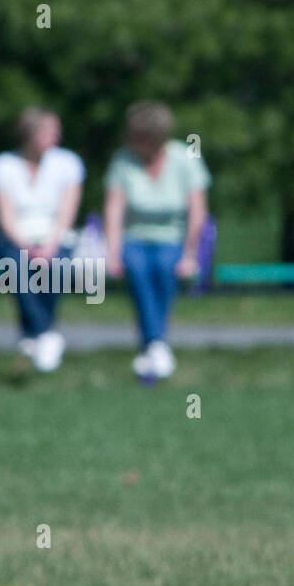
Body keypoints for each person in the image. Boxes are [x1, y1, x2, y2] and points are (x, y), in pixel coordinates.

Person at [104, 102, 209, 380]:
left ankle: (152, 345)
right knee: (137, 268)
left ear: (156, 138)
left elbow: (197, 212)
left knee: (165, 267)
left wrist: (190, 255)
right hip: (133, 237)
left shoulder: (186, 157)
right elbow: (114, 210)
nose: (131, 142)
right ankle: (157, 344)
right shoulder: (122, 160)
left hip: (173, 238)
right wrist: (112, 253)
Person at [0, 108, 85, 372]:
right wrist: (28, 247)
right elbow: (5, 216)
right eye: (48, 131)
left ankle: (34, 334)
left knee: (56, 267)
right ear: (30, 133)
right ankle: (45, 333)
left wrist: (49, 245)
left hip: (56, 236)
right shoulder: (2, 166)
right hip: (16, 238)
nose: (56, 136)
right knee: (16, 269)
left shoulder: (68, 163)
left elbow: (67, 212)